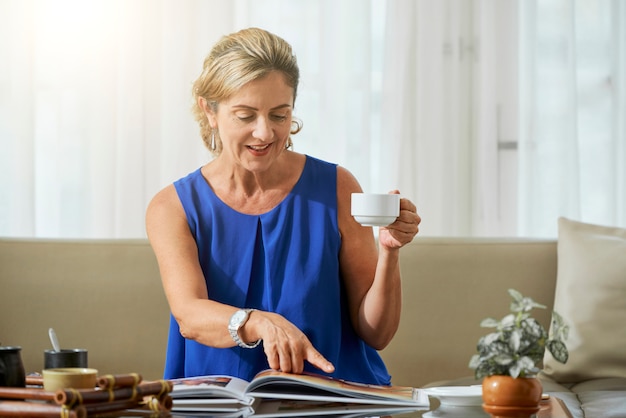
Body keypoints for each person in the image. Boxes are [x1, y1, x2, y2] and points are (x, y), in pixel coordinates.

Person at [145, 27, 421, 386]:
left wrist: (389, 252)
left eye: (279, 115)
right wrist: (259, 321)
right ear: (209, 111)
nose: (264, 133)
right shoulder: (173, 207)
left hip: (333, 406)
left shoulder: (337, 187)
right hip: (223, 405)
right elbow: (190, 314)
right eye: (245, 116)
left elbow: (377, 333)